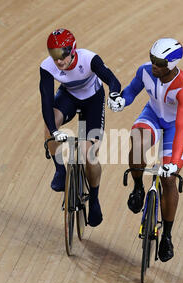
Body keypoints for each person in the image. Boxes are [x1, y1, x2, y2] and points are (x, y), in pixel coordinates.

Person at [108, 38, 183, 262]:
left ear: (173, 64)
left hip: (175, 127)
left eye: (159, 62)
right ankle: (138, 188)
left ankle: (166, 235)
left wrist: (173, 163)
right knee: (137, 139)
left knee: (168, 180)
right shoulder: (145, 71)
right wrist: (121, 102)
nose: (154, 65)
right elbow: (131, 91)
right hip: (153, 116)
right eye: (152, 59)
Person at [39, 28, 122, 227]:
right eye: (54, 55)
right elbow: (46, 100)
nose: (59, 61)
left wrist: (114, 94)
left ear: (73, 50)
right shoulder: (47, 66)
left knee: (88, 154)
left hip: (93, 101)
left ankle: (94, 199)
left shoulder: (89, 59)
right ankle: (60, 171)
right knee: (49, 126)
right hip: (69, 97)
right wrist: (54, 130)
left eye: (63, 55)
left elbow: (113, 81)